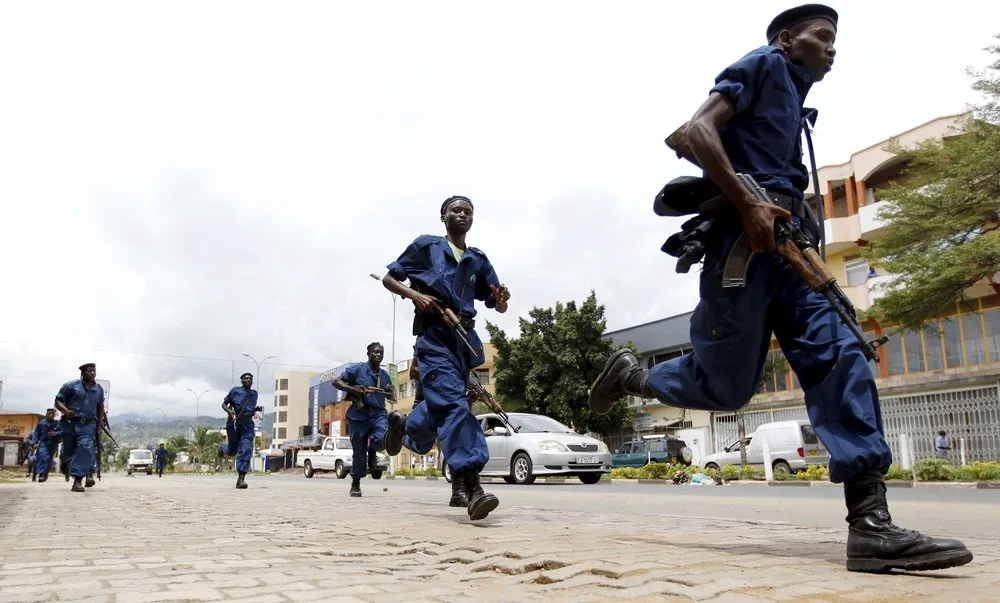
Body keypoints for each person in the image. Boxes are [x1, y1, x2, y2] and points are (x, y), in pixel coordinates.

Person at [586, 4, 973, 573]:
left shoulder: (796, 100)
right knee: (725, 387)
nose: (832, 49)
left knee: (842, 357)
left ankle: (870, 525)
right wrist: (747, 202)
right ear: (789, 40)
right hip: (744, 251)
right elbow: (695, 131)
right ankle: (635, 377)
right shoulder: (763, 64)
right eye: (823, 38)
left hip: (795, 249)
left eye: (835, 40)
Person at [381, 195, 511, 520]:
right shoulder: (427, 247)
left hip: (464, 340)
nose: (462, 215)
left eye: (467, 211)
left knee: (445, 407)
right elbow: (389, 278)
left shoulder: (477, 259)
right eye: (455, 210)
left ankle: (405, 426)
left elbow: (498, 302)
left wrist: (503, 299)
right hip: (435, 338)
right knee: (455, 406)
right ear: (444, 216)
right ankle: (472, 488)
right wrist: (416, 294)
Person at [333, 342, 396, 497]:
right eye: (375, 352)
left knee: (383, 439)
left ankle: (373, 450)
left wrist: (390, 392)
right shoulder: (358, 369)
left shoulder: (385, 375)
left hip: (378, 414)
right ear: (368, 354)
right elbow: (337, 381)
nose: (379, 355)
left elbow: (391, 395)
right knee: (358, 453)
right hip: (358, 415)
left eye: (381, 352)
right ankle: (356, 484)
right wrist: (353, 389)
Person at [54, 362, 106, 492]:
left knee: (85, 447)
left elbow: (100, 407)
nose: (92, 373)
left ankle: (78, 481)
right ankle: (81, 470)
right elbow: (58, 401)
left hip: (88, 424)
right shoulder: (70, 386)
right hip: (70, 423)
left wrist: (100, 424)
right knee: (69, 453)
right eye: (89, 371)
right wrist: (66, 411)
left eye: (94, 371)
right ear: (82, 373)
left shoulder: (98, 389)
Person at [218, 372, 261, 489]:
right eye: (245, 378)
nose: (248, 380)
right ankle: (222, 447)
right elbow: (223, 404)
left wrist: (255, 410)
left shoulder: (254, 394)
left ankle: (241, 479)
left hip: (248, 424)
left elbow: (251, 407)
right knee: (232, 450)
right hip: (234, 423)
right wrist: (229, 411)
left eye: (250, 379)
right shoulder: (235, 391)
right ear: (241, 381)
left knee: (246, 448)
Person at [30, 409, 61, 483]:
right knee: (43, 456)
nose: (50, 415)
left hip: (53, 444)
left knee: (50, 459)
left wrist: (56, 433)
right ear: (46, 414)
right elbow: (36, 433)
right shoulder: (41, 423)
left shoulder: (57, 423)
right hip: (43, 443)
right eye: (49, 414)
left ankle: (46, 473)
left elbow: (62, 432)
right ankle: (41, 474)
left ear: (54, 415)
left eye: (52, 414)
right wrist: (35, 442)